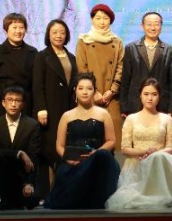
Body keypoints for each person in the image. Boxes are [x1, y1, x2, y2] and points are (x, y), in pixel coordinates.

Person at [106, 78, 172, 209]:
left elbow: (171, 148)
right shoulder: (131, 119)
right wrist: (145, 152)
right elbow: (125, 149)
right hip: (136, 165)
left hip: (160, 164)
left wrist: (154, 154)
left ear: (159, 96)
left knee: (159, 158)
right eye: (146, 94)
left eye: (154, 94)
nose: (150, 98)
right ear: (140, 95)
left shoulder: (167, 119)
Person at [44, 72, 120, 209]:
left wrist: (96, 154)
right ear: (75, 90)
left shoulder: (103, 113)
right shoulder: (67, 116)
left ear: (94, 91)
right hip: (73, 162)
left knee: (103, 155)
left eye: (89, 88)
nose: (85, 92)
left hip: (97, 162)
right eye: (81, 88)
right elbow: (59, 146)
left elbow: (111, 141)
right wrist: (70, 160)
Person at [32, 19, 78, 197]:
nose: (59, 35)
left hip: (68, 109)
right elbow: (38, 85)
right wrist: (41, 108)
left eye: (62, 32)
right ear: (48, 35)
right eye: (55, 32)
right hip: (49, 109)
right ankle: (46, 192)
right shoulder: (42, 56)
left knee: (66, 147)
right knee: (49, 149)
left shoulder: (71, 57)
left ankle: (63, 191)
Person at [75, 4, 125, 152]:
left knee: (112, 140)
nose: (102, 22)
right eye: (98, 18)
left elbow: (120, 68)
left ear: (110, 21)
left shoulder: (117, 42)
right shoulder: (84, 40)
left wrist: (112, 91)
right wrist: (94, 92)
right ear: (92, 20)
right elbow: (82, 68)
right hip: (90, 95)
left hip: (111, 98)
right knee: (90, 141)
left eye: (105, 18)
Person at [0, 86, 41, 210]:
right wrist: (18, 153)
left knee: (31, 202)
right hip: (4, 174)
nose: (13, 104)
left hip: (23, 174)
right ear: (3, 103)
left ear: (23, 104)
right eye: (10, 100)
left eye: (17, 100)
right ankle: (6, 199)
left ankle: (15, 197)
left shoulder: (32, 125)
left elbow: (33, 156)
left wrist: (28, 183)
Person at [119, 12, 172, 119]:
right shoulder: (131, 48)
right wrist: (124, 107)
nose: (152, 28)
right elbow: (125, 81)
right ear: (142, 26)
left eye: (156, 24)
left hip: (161, 106)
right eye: (149, 24)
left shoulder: (169, 50)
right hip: (135, 106)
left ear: (161, 26)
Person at [0, 13, 38, 119]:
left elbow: (36, 84)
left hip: (25, 105)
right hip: (2, 105)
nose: (18, 31)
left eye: (21, 27)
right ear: (5, 30)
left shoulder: (32, 52)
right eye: (14, 27)